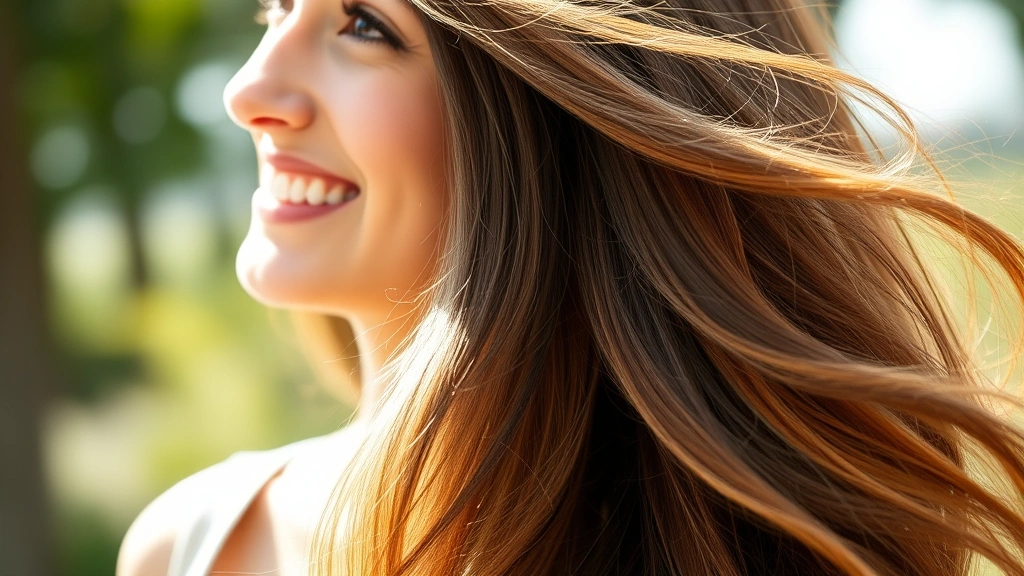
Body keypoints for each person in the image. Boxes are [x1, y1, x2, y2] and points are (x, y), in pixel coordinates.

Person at [116, 0, 1024, 574]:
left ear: (555, 131)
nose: (249, 89)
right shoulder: (192, 543)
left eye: (364, 26)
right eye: (274, 10)